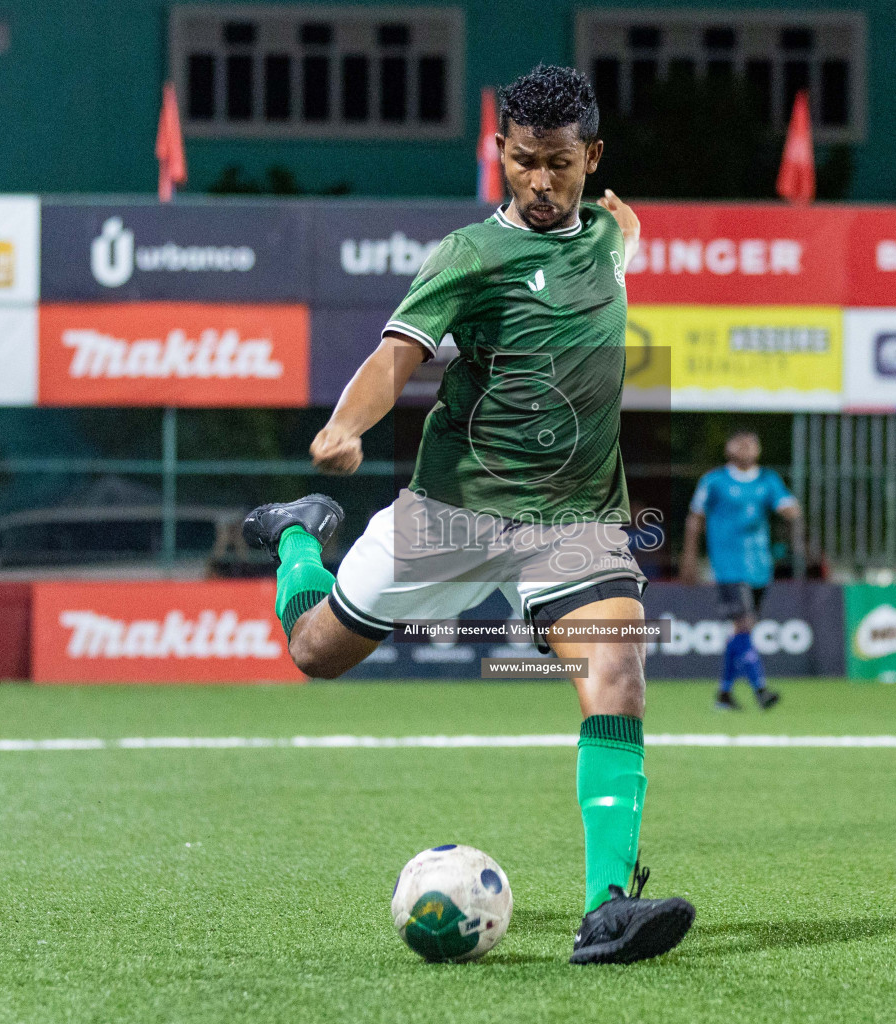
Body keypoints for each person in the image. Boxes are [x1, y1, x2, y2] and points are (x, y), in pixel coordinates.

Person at [242, 65, 694, 965]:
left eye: (559, 164)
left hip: (577, 519)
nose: (539, 181)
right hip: (458, 511)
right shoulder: (468, 256)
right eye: (522, 161)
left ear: (591, 157)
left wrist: (625, 233)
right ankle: (299, 534)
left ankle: (607, 907)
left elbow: (613, 245)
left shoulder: (607, 234)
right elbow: (395, 356)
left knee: (619, 671)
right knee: (315, 653)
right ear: (500, 154)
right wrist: (343, 427)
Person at [680, 431, 800, 711]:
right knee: (744, 624)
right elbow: (694, 519)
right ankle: (760, 689)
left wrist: (792, 513)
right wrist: (689, 558)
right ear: (728, 448)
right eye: (739, 443)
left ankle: (724, 694)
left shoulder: (768, 480)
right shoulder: (715, 481)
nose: (746, 448)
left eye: (751, 444)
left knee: (741, 631)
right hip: (728, 565)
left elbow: (787, 507)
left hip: (759, 565)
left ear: (758, 450)